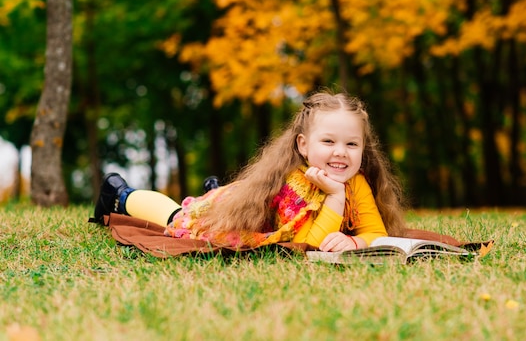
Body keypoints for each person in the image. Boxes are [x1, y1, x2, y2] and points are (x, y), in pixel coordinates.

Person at [91, 91, 406, 252]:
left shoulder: (356, 182)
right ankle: (119, 193)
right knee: (181, 218)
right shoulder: (295, 186)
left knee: (218, 195)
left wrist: (355, 243)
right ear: (304, 145)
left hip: (245, 202)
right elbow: (304, 246)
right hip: (233, 210)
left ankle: (215, 187)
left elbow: (375, 233)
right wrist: (334, 198)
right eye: (328, 141)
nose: (341, 152)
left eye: (352, 144)